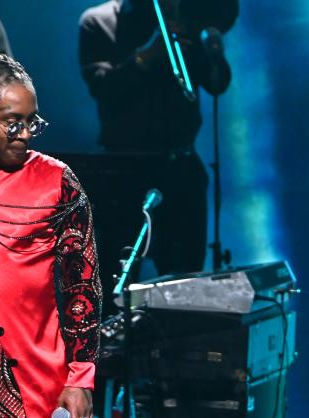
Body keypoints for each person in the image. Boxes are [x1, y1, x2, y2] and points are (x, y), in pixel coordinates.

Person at [0, 55, 101, 418]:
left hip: (37, 391)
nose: (23, 135)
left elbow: (82, 286)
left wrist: (80, 375)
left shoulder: (56, 182)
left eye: (30, 123)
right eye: (10, 122)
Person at [78, 0, 237, 279]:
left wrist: (208, 46)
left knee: (185, 286)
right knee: (116, 281)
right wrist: (147, 56)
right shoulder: (98, 21)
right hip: (122, 174)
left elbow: (217, 83)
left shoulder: (182, 14)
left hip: (181, 169)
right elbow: (103, 89)